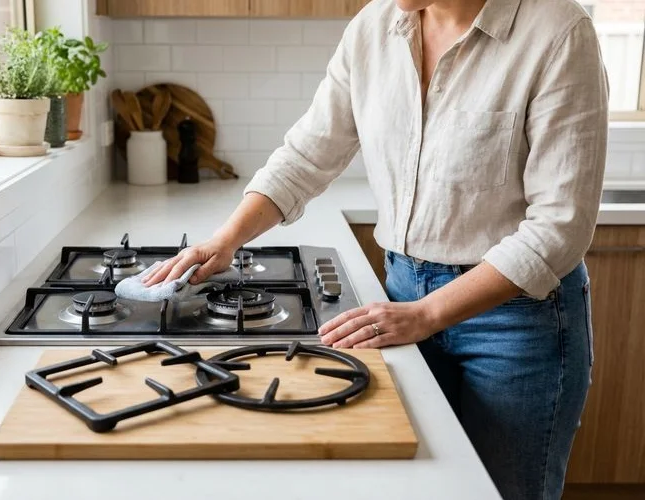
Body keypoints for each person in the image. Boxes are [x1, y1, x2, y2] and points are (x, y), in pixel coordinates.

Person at [144, 0, 608, 497]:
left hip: (515, 324)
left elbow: (559, 228)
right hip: (402, 292)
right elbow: (307, 155)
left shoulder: (558, 32)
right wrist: (225, 239)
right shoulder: (374, 27)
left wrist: (427, 313)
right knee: (413, 486)